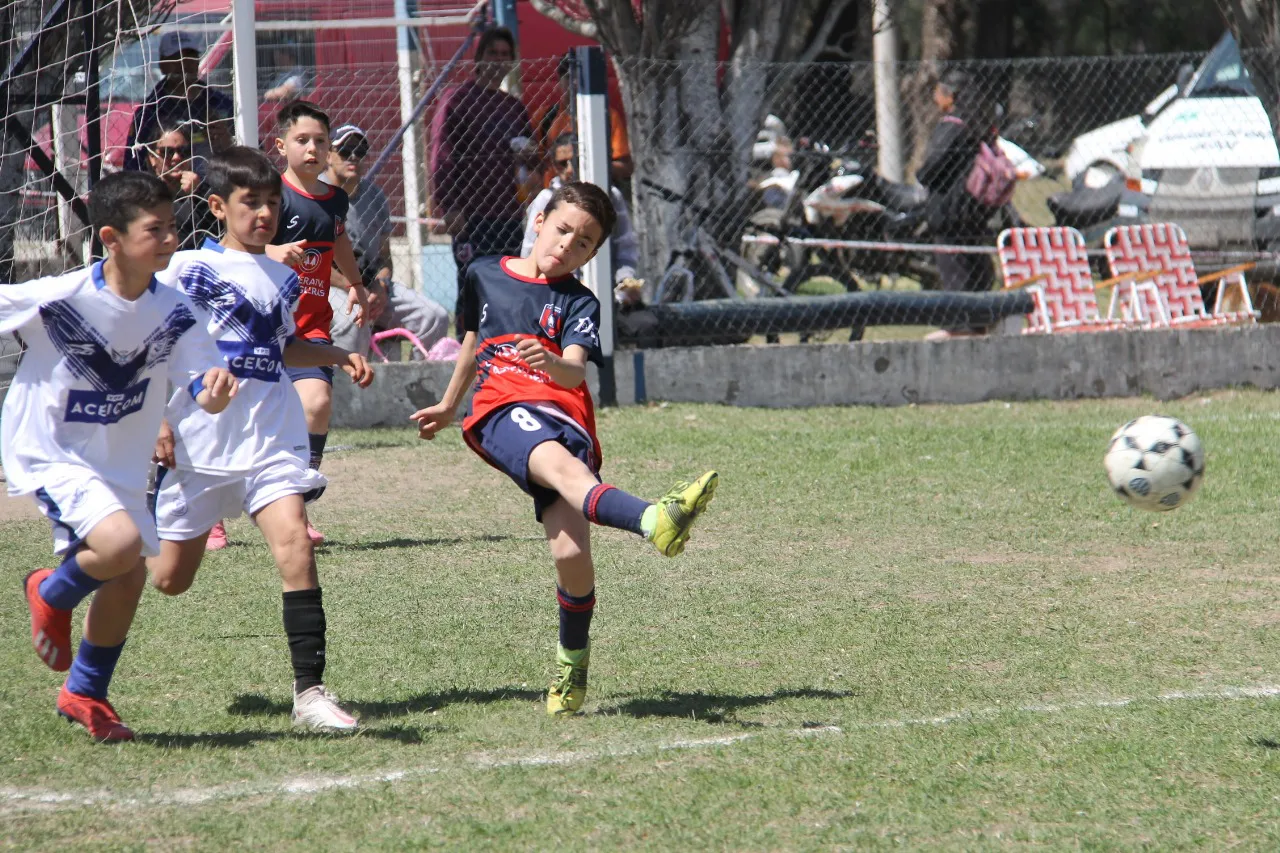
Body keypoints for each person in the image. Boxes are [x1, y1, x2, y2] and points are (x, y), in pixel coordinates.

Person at [410, 182, 719, 717]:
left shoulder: (579, 300)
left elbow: (574, 367)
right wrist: (447, 403)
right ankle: (653, 520)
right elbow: (470, 343)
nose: (567, 246)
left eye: (584, 243)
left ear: (593, 255)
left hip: (565, 412)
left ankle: (571, 669)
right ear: (539, 221)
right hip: (501, 407)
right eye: (563, 230)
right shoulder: (483, 272)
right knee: (556, 465)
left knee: (570, 556)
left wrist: (549, 362)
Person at [148, 147, 374, 732]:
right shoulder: (188, 270)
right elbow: (147, 344)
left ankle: (311, 694)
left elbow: (280, 347)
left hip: (270, 432)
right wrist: (159, 421)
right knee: (170, 580)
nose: (266, 214)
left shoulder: (283, 275)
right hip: (201, 442)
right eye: (252, 203)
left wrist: (338, 353)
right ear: (219, 207)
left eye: (273, 203)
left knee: (295, 542)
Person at [10, 171, 237, 742]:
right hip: (53, 451)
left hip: (124, 463)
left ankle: (85, 694)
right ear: (111, 238)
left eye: (173, 228)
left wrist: (215, 390)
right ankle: (49, 589)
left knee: (127, 575)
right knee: (121, 547)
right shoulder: (61, 297)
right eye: (154, 229)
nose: (169, 240)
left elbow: (204, 391)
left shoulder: (177, 310)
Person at [258, 100, 369, 549]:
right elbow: (237, 246)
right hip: (261, 328)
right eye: (302, 140)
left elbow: (337, 236)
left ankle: (297, 511)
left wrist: (356, 283)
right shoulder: (270, 196)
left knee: (317, 401)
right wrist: (271, 253)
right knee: (237, 422)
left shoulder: (335, 198)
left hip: (311, 328)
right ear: (281, 145)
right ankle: (211, 515)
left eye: (321, 142)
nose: (313, 148)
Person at [428, 26, 534, 338]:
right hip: (471, 215)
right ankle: (467, 347)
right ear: (478, 57)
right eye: (492, 53)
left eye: (505, 55)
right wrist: (448, 205)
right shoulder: (458, 99)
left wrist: (529, 153)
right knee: (472, 284)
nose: (498, 61)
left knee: (509, 283)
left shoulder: (513, 107)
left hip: (508, 212)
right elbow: (442, 153)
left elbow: (530, 154)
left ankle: (503, 344)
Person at [322, 124, 449, 359]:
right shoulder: (315, 195)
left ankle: (415, 385)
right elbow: (313, 264)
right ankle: (348, 390)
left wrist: (380, 287)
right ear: (328, 155)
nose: (353, 157)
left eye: (360, 151)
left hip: (369, 286)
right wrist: (355, 289)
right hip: (329, 286)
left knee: (434, 317)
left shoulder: (375, 196)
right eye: (345, 150)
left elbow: (383, 257)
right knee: (354, 320)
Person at [917, 69, 997, 341]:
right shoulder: (977, 124)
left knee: (953, 267)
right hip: (973, 206)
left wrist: (921, 174)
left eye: (938, 91)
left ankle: (957, 328)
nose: (934, 96)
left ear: (949, 95)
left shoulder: (952, 125)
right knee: (973, 264)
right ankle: (977, 324)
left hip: (949, 209)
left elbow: (933, 167)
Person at [521, 133, 639, 287]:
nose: (569, 169)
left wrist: (625, 280)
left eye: (575, 161)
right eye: (562, 163)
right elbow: (529, 249)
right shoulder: (547, 198)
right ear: (553, 165)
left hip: (607, 286)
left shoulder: (610, 196)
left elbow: (625, 243)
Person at [124, 30, 234, 174]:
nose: (184, 63)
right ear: (162, 64)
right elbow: (133, 165)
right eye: (176, 57)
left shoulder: (221, 105)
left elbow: (253, 151)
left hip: (215, 187)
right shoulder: (149, 112)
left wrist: (228, 142)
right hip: (166, 190)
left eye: (190, 56)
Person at [531, 51, 633, 187]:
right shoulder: (544, 117)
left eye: (580, 78)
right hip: (556, 194)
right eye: (568, 77)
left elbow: (626, 167)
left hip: (596, 190)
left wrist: (591, 167)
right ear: (558, 82)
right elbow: (533, 162)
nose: (574, 83)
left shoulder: (607, 116)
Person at [139, 120, 219, 250]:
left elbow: (217, 233)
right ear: (152, 158)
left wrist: (199, 194)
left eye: (183, 151)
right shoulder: (141, 195)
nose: (176, 158)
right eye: (167, 152)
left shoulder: (205, 192)